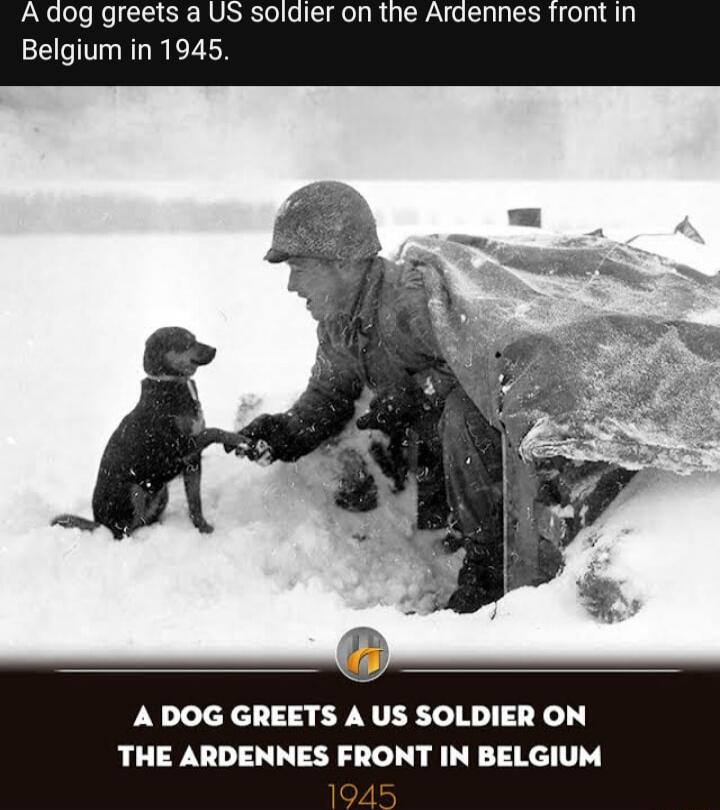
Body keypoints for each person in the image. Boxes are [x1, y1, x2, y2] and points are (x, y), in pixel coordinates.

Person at [236, 181, 504, 613]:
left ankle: (494, 568)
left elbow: (485, 372)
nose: (291, 286)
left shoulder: (412, 301)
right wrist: (288, 431)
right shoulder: (338, 321)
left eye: (300, 269)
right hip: (440, 461)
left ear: (342, 262)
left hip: (488, 444)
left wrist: (414, 395)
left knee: (462, 417)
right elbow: (331, 391)